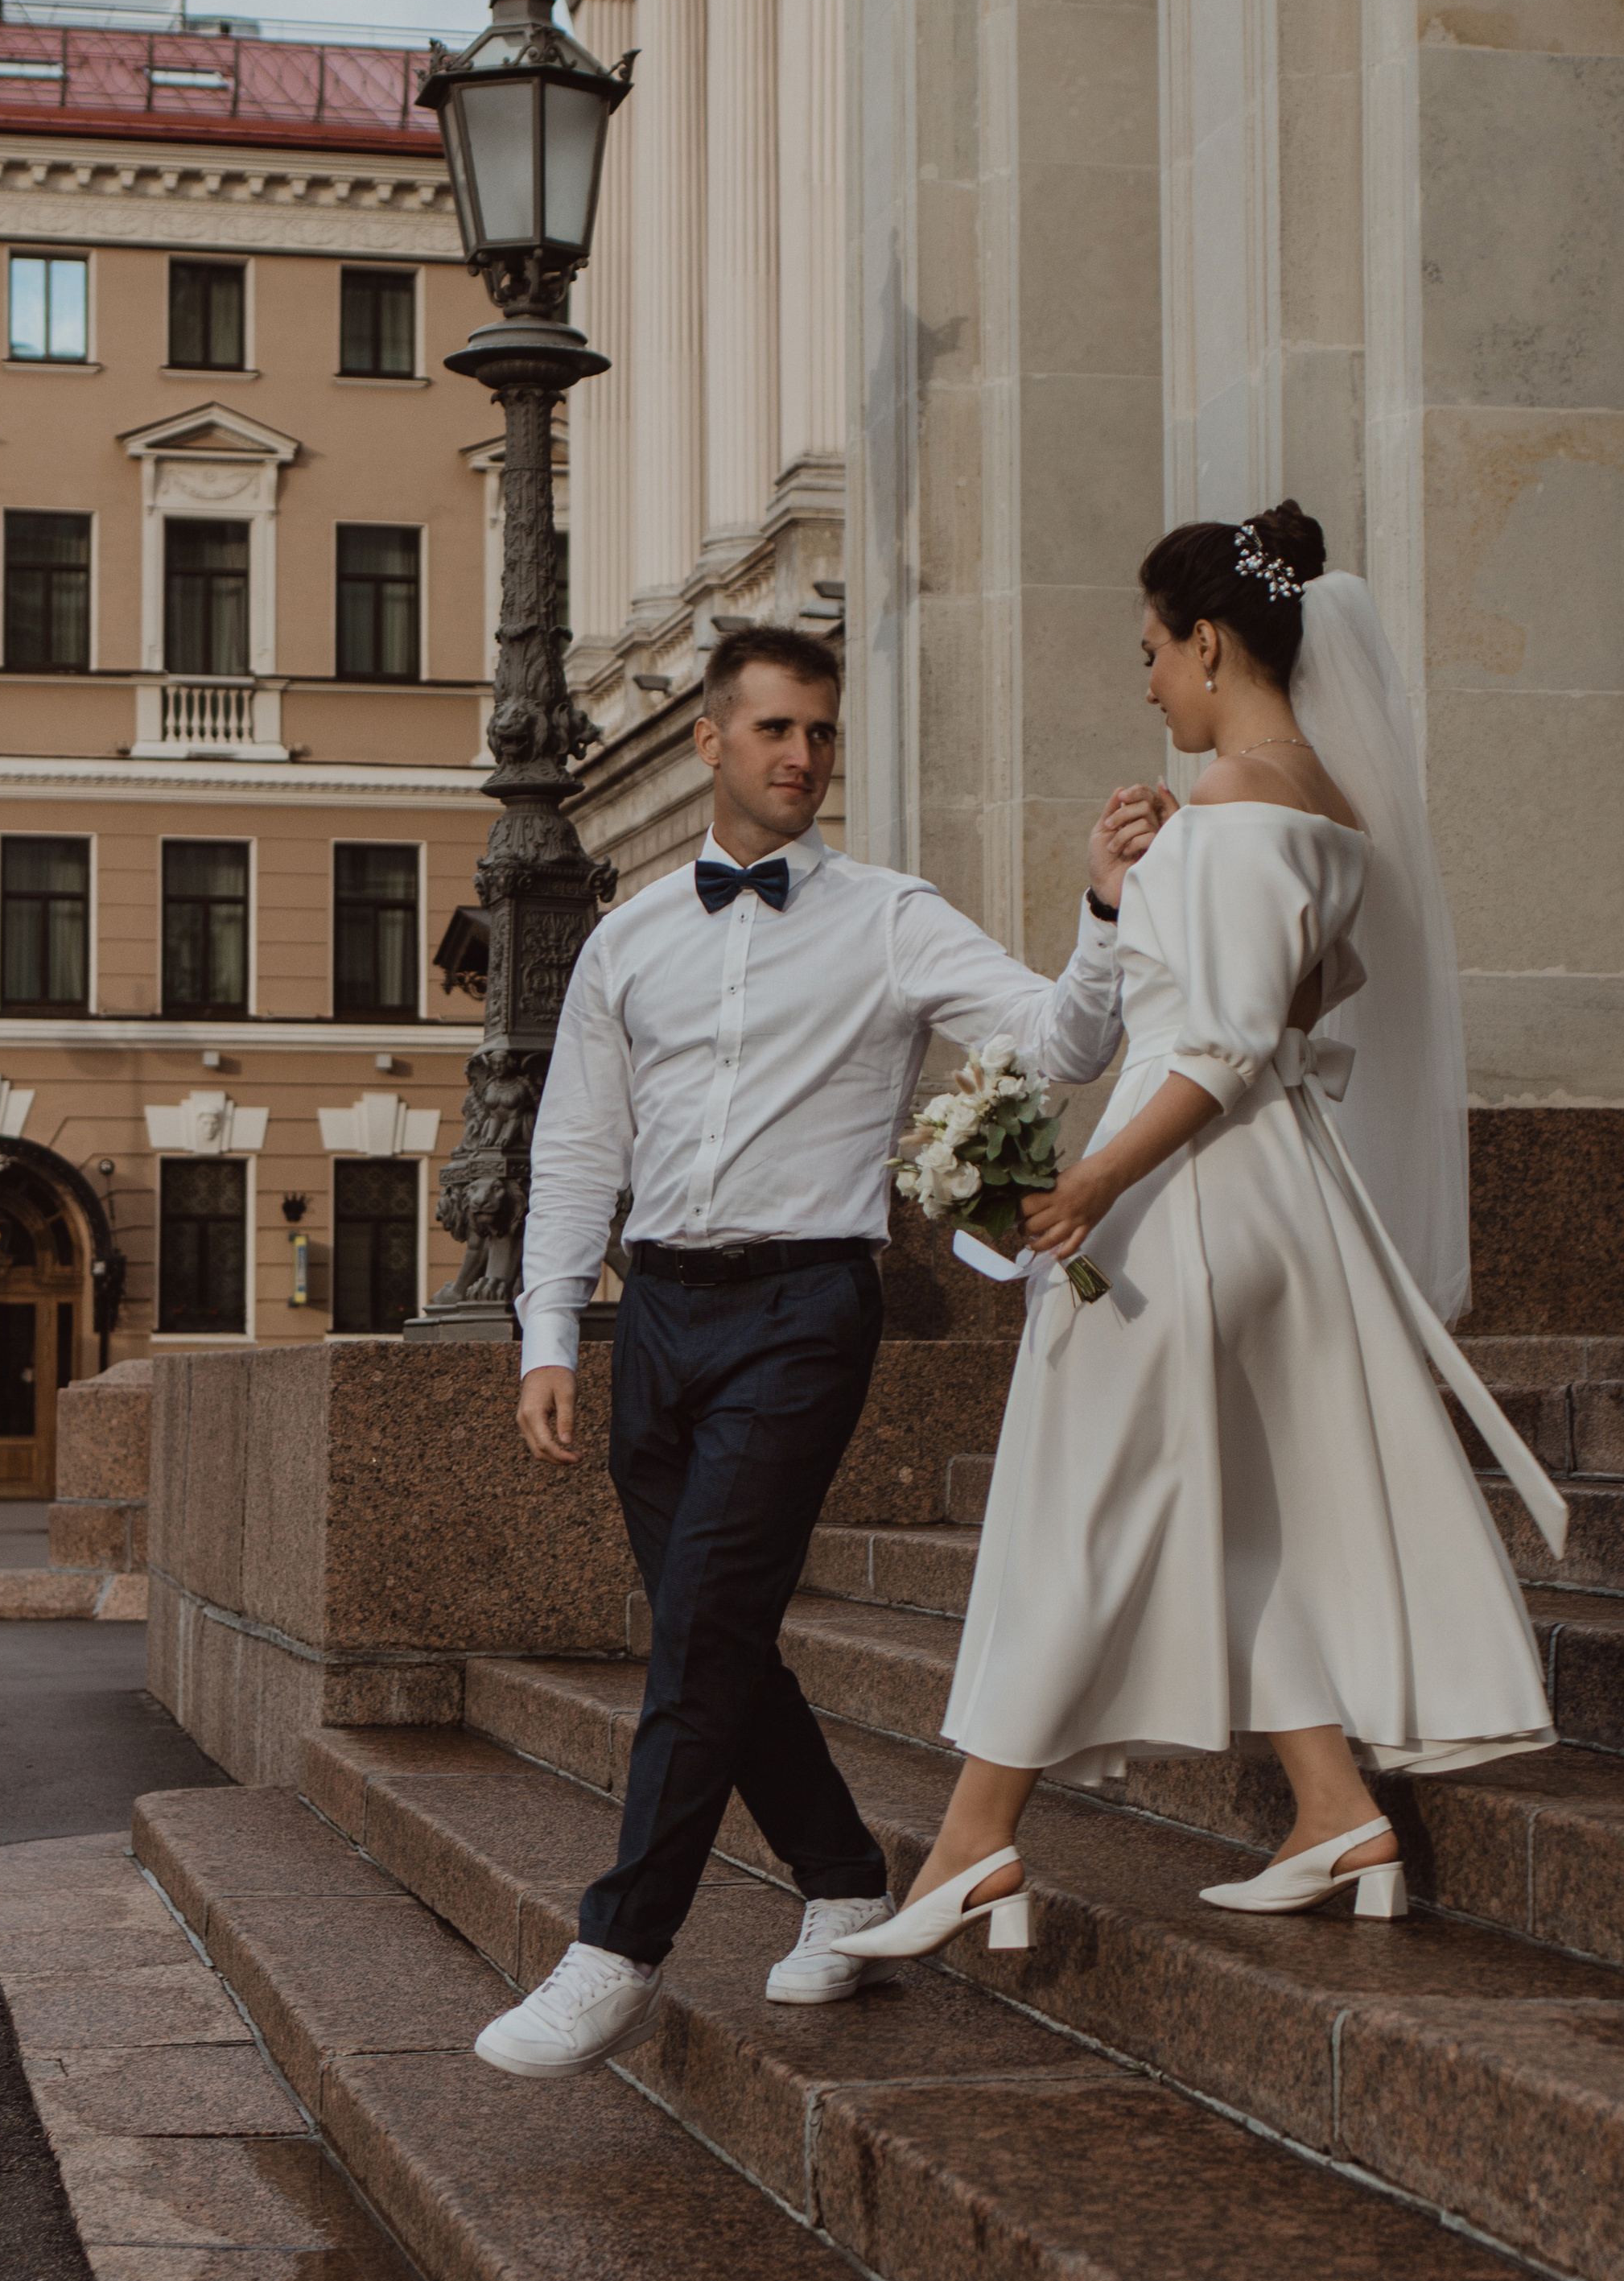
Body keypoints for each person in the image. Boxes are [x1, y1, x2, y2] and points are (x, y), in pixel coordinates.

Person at [839, 504, 1567, 1971]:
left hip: (1188, 1206)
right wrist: (1134, 895)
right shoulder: (1324, 811)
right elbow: (1299, 1002)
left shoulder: (1230, 808)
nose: (1147, 682)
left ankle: (972, 1842)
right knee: (1236, 1508)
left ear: (1212, 642)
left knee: (1075, 1507)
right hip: (1285, 1201)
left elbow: (1223, 1044)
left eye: (1154, 651)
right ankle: (1334, 1808)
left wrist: (1094, 1182)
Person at [473, 621, 1134, 2078]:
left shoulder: (891, 916)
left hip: (803, 1314)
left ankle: (618, 1950)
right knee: (720, 1638)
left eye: (822, 733)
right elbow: (578, 1147)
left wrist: (1098, 914)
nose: (803, 758)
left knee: (702, 1630)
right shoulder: (627, 936)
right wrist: (546, 1332)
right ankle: (839, 1881)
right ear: (709, 740)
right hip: (655, 1317)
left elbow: (1058, 1041)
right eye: (775, 730)